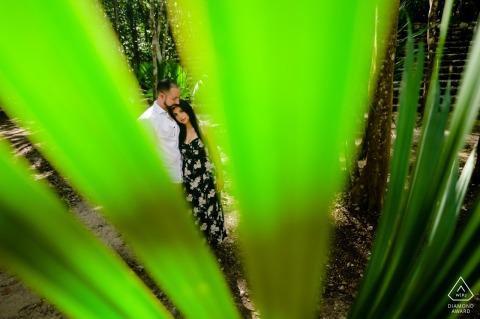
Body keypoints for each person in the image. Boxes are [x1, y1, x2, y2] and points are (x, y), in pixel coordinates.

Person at [169, 100, 228, 246]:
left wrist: (220, 176)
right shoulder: (178, 133)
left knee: (211, 210)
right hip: (189, 180)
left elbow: (215, 154)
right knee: (194, 213)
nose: (180, 116)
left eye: (181, 111)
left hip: (206, 178)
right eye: (176, 115)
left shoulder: (204, 128)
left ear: (187, 109)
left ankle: (212, 242)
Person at [138, 78, 182, 184]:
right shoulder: (147, 119)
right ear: (162, 96)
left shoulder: (175, 113)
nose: (178, 102)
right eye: (174, 98)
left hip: (180, 177)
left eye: (178, 98)